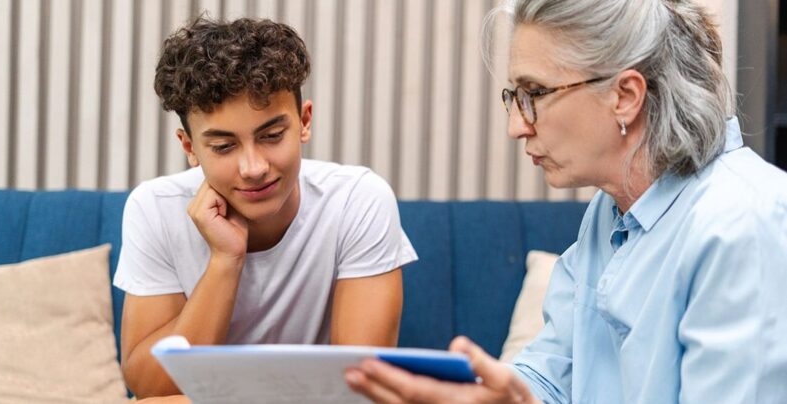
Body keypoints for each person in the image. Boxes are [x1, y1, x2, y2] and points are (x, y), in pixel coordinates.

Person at [345, 0, 787, 403]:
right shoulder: (610, 212)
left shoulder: (744, 223)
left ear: (626, 96)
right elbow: (551, 377)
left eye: (534, 93)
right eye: (514, 98)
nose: (516, 126)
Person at [113, 16, 418, 399]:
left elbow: (361, 388)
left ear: (304, 122)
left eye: (272, 136)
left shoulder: (358, 200)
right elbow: (149, 386)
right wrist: (225, 261)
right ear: (190, 148)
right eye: (224, 146)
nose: (253, 168)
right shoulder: (154, 208)